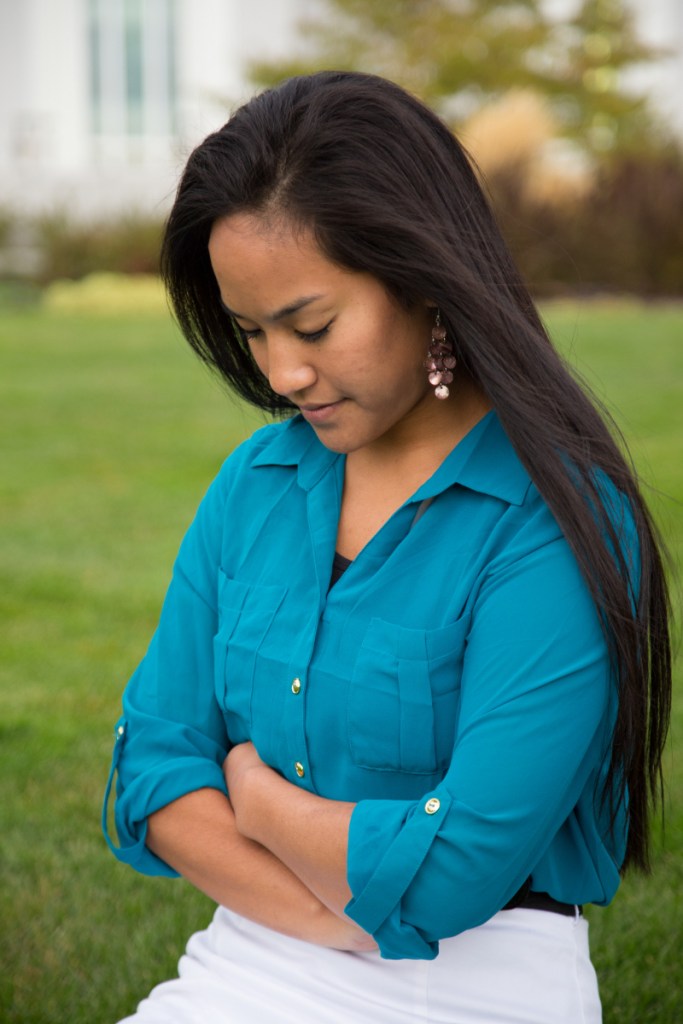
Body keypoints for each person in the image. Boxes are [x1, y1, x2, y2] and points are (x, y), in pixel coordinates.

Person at [103, 71, 672, 1023]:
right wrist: (328, 922)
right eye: (251, 331)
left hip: (481, 979)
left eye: (312, 324)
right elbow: (153, 767)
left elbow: (456, 876)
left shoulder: (552, 517)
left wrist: (250, 791)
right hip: (250, 952)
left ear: (422, 278)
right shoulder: (258, 483)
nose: (283, 372)